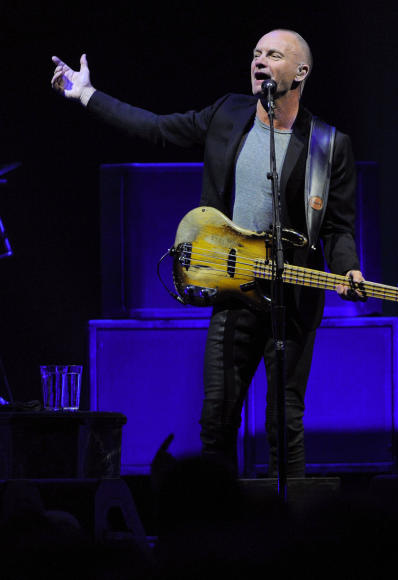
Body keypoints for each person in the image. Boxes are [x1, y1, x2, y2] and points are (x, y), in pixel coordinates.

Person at [51, 29, 366, 477]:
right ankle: (219, 528)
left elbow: (337, 226)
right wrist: (87, 95)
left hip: (293, 300)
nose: (259, 61)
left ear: (301, 72)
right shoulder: (227, 112)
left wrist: (348, 269)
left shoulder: (328, 145)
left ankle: (290, 527)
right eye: (256, 53)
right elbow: (157, 129)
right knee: (217, 420)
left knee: (285, 421)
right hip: (232, 292)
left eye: (273, 55)